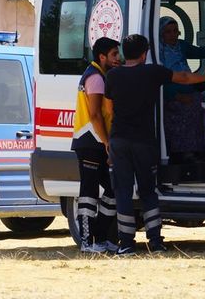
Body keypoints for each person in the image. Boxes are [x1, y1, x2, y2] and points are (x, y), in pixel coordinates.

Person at [105, 34, 205, 255]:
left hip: (119, 140)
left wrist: (109, 144)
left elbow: (108, 111)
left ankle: (126, 243)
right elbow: (183, 77)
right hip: (144, 141)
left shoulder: (113, 76)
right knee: (148, 191)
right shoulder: (152, 72)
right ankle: (155, 242)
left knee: (123, 191)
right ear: (144, 54)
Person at [71, 37, 121, 253]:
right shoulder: (96, 78)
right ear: (102, 57)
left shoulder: (98, 75)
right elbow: (94, 114)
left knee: (112, 190)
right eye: (114, 54)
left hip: (95, 142)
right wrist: (107, 142)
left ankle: (99, 237)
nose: (118, 58)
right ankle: (87, 241)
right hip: (90, 142)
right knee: (89, 193)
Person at [159, 16, 205, 163]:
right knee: (191, 110)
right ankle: (184, 153)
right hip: (172, 96)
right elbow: (161, 81)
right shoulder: (159, 52)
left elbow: (199, 53)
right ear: (161, 34)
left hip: (189, 90)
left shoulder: (181, 46)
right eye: (168, 32)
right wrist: (176, 96)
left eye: (175, 31)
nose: (172, 35)